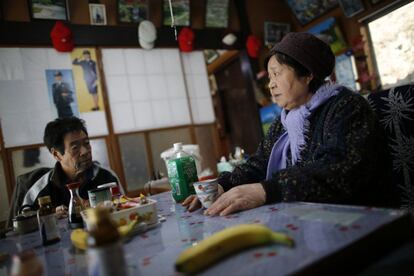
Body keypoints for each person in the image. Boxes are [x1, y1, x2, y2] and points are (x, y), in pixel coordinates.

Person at [183, 32, 395, 216]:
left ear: (308, 74)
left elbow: (339, 171)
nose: (271, 83)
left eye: (276, 73)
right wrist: (222, 185)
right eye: (269, 76)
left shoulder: (346, 107)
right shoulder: (284, 119)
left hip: (360, 217)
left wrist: (268, 190)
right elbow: (259, 163)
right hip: (309, 215)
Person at [8, 117, 123, 222]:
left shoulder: (107, 177)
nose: (85, 151)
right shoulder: (40, 189)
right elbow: (20, 228)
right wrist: (48, 217)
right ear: (57, 155)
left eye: (87, 143)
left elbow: (124, 209)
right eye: (75, 148)